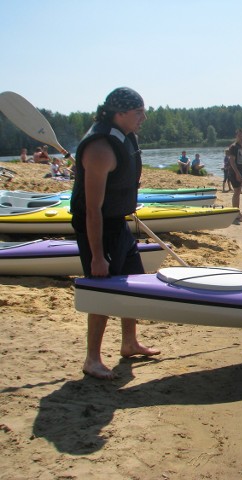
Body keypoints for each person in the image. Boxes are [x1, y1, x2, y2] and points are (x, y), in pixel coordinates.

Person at [70, 87, 159, 380]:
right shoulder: (99, 149)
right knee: (103, 289)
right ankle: (92, 359)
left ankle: (129, 342)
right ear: (119, 113)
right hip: (98, 227)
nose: (144, 118)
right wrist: (97, 256)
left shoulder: (122, 136)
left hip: (117, 222)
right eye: (138, 113)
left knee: (131, 282)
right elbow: (92, 210)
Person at [228, 129, 242, 219]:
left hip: (241, 171)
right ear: (236, 136)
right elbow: (232, 161)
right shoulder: (233, 147)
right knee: (236, 192)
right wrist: (237, 173)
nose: (241, 138)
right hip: (234, 172)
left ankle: (237, 211)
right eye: (240, 136)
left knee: (238, 192)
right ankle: (235, 212)